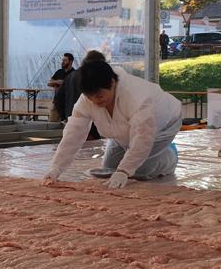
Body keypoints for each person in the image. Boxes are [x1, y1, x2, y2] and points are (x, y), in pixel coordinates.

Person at [43, 57, 182, 188]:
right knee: (109, 168)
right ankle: (133, 158)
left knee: (141, 171)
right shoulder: (88, 99)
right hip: (123, 132)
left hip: (162, 126)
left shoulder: (136, 96)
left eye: (99, 96)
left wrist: (124, 171)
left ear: (112, 83)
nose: (95, 101)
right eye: (90, 97)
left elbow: (143, 136)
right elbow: (73, 133)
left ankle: (170, 156)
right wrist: (57, 167)